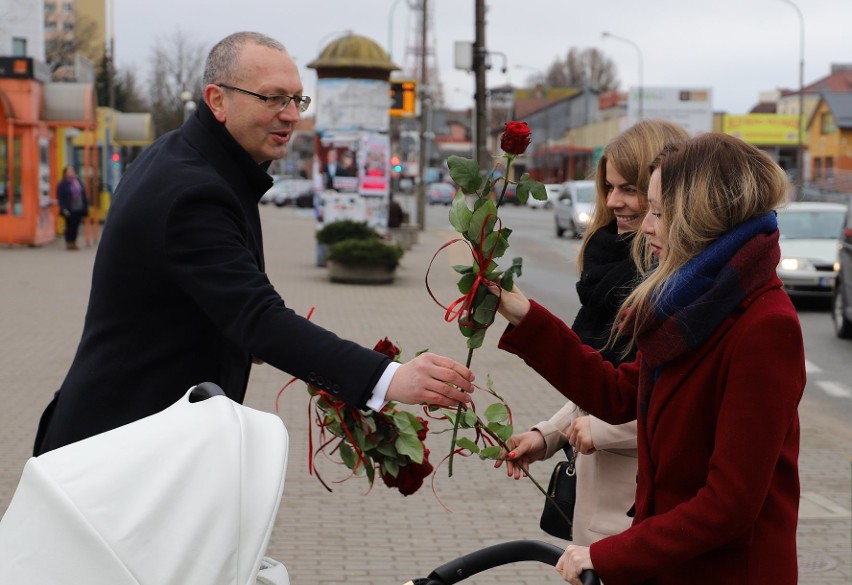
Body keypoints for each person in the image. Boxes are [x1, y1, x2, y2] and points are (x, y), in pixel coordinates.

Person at [33, 31, 474, 456]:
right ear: (217, 100)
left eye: (297, 99)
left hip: (138, 439)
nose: (290, 114)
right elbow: (257, 317)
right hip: (117, 446)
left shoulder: (192, 160)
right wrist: (388, 378)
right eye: (272, 97)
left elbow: (203, 300)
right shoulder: (192, 191)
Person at [494, 133, 804, 584]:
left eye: (659, 211)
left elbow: (730, 503)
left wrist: (613, 552)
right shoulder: (691, 305)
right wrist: (525, 315)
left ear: (701, 216)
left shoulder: (763, 326)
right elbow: (618, 393)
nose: (645, 226)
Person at [496, 120, 690, 547]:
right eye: (609, 187)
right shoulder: (609, 262)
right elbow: (604, 382)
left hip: (637, 518)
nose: (613, 201)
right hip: (597, 514)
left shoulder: (673, 285)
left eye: (630, 189)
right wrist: (546, 435)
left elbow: (679, 412)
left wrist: (603, 432)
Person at [56, 165, 89, 250]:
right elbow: (61, 197)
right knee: (69, 226)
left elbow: (83, 195)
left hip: (79, 208)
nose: (71, 172)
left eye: (72, 170)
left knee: (76, 226)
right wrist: (63, 207)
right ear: (65, 173)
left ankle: (74, 242)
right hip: (69, 208)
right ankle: (69, 242)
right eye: (69, 171)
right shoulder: (63, 184)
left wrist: (86, 207)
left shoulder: (78, 182)